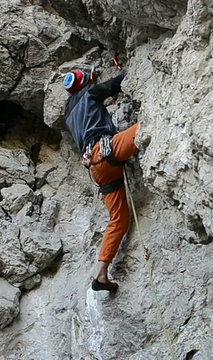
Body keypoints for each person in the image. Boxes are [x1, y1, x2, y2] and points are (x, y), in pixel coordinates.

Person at [63, 68, 140, 292]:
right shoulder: (90, 94)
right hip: (105, 151)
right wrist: (131, 69)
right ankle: (101, 272)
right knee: (145, 129)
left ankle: (101, 273)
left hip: (96, 169)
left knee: (119, 219)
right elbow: (116, 84)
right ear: (84, 83)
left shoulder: (69, 115)